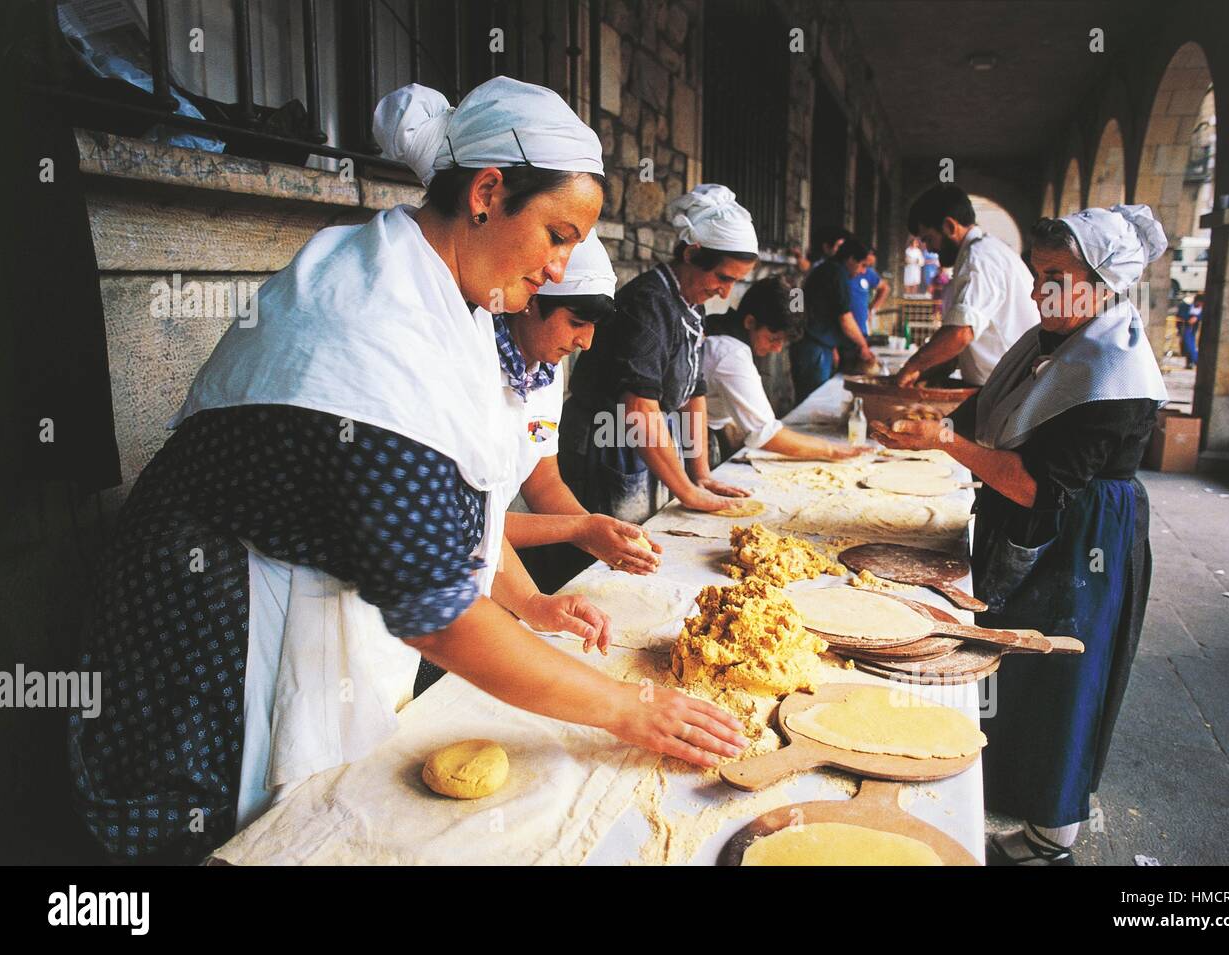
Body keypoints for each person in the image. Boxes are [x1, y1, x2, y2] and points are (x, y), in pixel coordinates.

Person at [68, 78, 746, 862]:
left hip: (296, 597)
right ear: (489, 192)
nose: (561, 267)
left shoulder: (452, 296)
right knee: (228, 839)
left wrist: (531, 602)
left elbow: (467, 514)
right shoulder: (376, 326)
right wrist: (629, 710)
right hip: (216, 626)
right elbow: (441, 612)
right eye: (558, 235)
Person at [872, 204, 1169, 865]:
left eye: (1055, 275)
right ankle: (1012, 798)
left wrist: (945, 441)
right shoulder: (1052, 341)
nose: (1038, 291)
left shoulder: (1114, 370)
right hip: (1040, 521)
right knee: (1019, 666)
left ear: (1102, 283)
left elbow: (1039, 484)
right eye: (1038, 274)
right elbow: (986, 412)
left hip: (1086, 533)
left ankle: (1050, 837)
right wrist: (927, 421)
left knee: (1062, 670)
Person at [560, 184, 758, 523]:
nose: (726, 292)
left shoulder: (692, 304)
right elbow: (638, 408)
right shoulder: (648, 304)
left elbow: (693, 391)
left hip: (650, 442)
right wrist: (688, 491)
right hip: (607, 442)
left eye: (735, 282)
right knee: (605, 553)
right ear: (692, 255)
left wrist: (701, 474)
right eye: (723, 278)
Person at [496, 229, 663, 590]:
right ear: (530, 300)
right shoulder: (476, 367)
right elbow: (464, 523)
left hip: (490, 562)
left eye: (593, 328)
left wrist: (602, 534)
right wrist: (580, 529)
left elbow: (543, 479)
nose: (586, 342)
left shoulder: (545, 372)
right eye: (576, 323)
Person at [702, 276, 864, 464]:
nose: (778, 349)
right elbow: (766, 435)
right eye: (773, 339)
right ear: (750, 322)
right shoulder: (731, 353)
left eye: (783, 341)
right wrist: (831, 450)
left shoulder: (722, 328)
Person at [896, 185, 1038, 388]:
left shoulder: (980, 258)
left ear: (950, 227)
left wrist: (911, 367)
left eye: (928, 239)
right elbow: (958, 347)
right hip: (1000, 387)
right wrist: (923, 372)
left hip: (1011, 390)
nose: (928, 249)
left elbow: (960, 333)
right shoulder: (979, 252)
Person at [789, 235, 877, 402]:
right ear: (851, 259)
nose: (863, 272)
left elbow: (827, 313)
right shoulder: (836, 273)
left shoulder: (829, 269)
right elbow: (845, 319)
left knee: (813, 399)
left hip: (818, 345)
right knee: (813, 402)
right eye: (862, 265)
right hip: (812, 347)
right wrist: (863, 345)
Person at [846, 245, 890, 358]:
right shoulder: (842, 275)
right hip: (843, 333)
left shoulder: (868, 273)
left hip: (862, 331)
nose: (863, 270)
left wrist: (873, 309)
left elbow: (884, 288)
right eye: (864, 265)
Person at [1175, 293, 1204, 369]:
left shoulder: (1201, 309)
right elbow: (1179, 315)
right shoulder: (1186, 306)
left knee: (1190, 345)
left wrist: (1197, 317)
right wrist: (1189, 318)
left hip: (1193, 328)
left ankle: (1192, 362)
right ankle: (1195, 361)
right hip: (1185, 326)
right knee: (1188, 345)